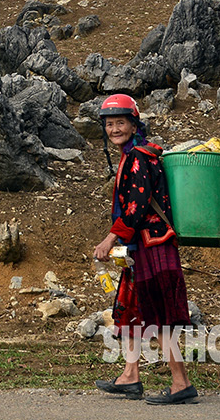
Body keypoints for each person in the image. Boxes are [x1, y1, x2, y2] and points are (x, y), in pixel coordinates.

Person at [92, 93, 197, 405]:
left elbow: (136, 209)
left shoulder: (139, 158)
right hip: (140, 246)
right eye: (110, 124)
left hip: (154, 246)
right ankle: (130, 376)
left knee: (161, 315)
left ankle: (181, 383)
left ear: (133, 123)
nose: (114, 129)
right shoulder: (133, 155)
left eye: (120, 123)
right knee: (134, 311)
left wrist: (110, 239)